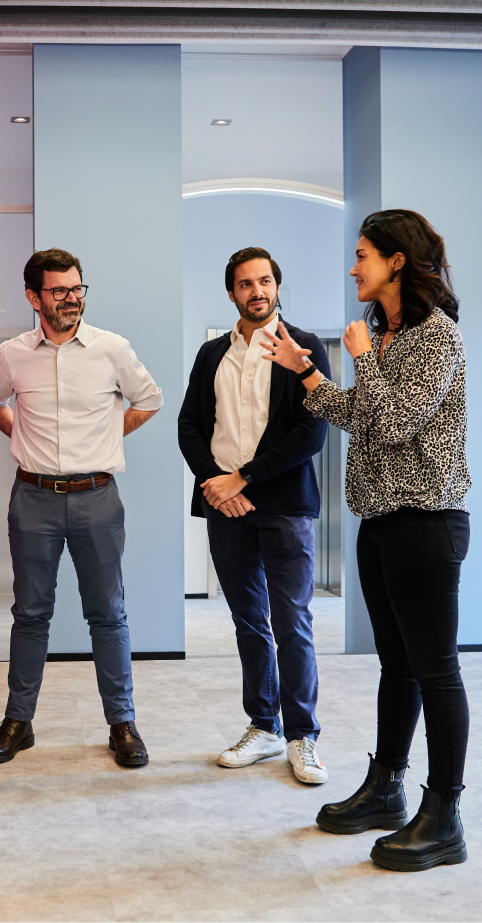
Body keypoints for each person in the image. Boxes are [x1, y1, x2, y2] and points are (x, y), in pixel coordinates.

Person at [261, 210, 471, 872]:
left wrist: (356, 356)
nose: (353, 267)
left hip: (424, 522)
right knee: (396, 666)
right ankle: (385, 788)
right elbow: (360, 415)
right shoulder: (391, 335)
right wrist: (308, 375)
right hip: (380, 521)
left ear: (395, 261)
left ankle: (443, 815)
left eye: (361, 255)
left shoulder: (434, 337)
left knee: (434, 669)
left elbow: (395, 422)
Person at [0, 248, 163, 768]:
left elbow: (148, 399)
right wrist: (22, 435)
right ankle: (19, 722)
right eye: (60, 291)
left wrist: (109, 435)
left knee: (108, 614)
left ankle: (122, 724)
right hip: (32, 499)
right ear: (35, 297)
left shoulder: (112, 349)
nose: (72, 299)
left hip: (98, 500)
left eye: (78, 289)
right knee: (30, 614)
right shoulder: (13, 353)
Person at [179, 247, 331, 784]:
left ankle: (303, 736)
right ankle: (263, 727)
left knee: (293, 621)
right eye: (246, 284)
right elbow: (190, 426)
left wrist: (243, 476)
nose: (257, 291)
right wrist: (217, 487)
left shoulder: (305, 348)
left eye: (265, 281)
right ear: (232, 293)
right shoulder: (210, 354)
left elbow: (312, 432)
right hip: (226, 507)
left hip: (284, 506)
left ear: (277, 286)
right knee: (249, 621)